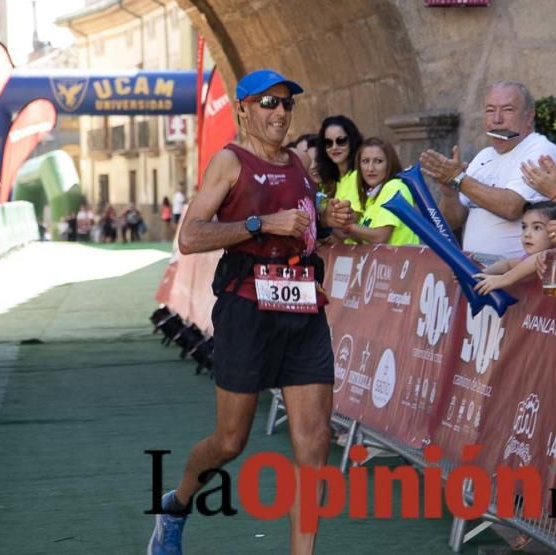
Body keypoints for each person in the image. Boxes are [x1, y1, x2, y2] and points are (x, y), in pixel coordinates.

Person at [148, 69, 352, 555]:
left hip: (302, 308)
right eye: (268, 103)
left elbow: (302, 231)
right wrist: (263, 222)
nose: (279, 112)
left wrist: (326, 222)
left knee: (314, 440)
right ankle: (175, 504)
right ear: (244, 108)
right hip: (246, 310)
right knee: (230, 440)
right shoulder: (230, 162)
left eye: (286, 104)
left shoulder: (299, 164)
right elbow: (191, 236)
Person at [420, 81, 556, 260]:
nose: (497, 119)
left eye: (508, 110)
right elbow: (453, 221)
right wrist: (449, 193)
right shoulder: (484, 156)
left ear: (528, 116)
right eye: (490, 110)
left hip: (519, 276)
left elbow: (511, 207)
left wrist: (458, 179)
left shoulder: (539, 150)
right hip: (477, 273)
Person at [474, 201, 556, 294]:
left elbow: (545, 257)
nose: (526, 234)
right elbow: (508, 264)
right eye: (524, 227)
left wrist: (504, 279)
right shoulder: (527, 258)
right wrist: (481, 274)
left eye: (537, 228)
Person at [341, 137, 419, 246]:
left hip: (400, 262)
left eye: (378, 161)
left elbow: (380, 237)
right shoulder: (372, 195)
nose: (370, 168)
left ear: (390, 164)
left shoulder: (395, 187)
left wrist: (348, 228)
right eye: (365, 161)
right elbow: (364, 241)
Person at [315, 115, 364, 212]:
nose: (334, 147)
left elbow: (353, 218)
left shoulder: (360, 175)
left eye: (341, 141)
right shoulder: (328, 181)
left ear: (352, 141)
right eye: (328, 142)